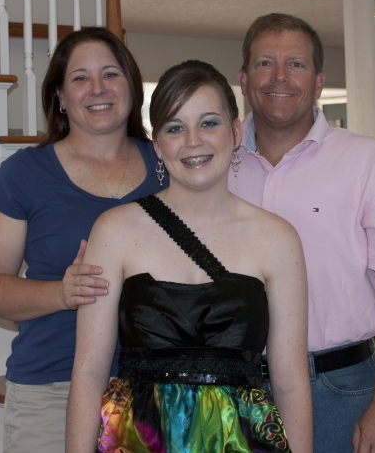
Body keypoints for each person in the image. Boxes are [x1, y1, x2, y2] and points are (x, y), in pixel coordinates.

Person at [66, 60, 313, 452]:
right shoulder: (113, 231)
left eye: (209, 123)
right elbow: (89, 371)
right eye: (175, 128)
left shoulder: (278, 239)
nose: (193, 141)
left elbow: (291, 383)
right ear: (157, 144)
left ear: (236, 132)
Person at [0, 27, 166, 453]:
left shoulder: (167, 165)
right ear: (60, 95)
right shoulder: (23, 174)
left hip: (155, 391)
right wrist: (61, 292)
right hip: (51, 392)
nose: (98, 88)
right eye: (80, 78)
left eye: (110, 74)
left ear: (130, 85)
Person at [228, 13, 375, 453]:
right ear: (243, 79)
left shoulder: (369, 161)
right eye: (265, 63)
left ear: (318, 82)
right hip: (234, 389)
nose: (280, 77)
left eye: (296, 64)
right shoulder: (215, 163)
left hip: (340, 390)